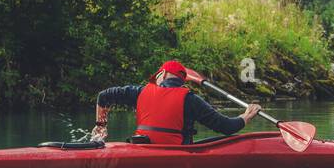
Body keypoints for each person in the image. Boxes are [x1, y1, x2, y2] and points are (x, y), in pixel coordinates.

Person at [91, 60, 260, 144]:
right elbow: (226, 127)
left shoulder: (140, 92)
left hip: (142, 149)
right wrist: (245, 116)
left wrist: (101, 126)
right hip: (177, 153)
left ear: (162, 75)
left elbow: (103, 96)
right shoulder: (190, 100)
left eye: (156, 77)